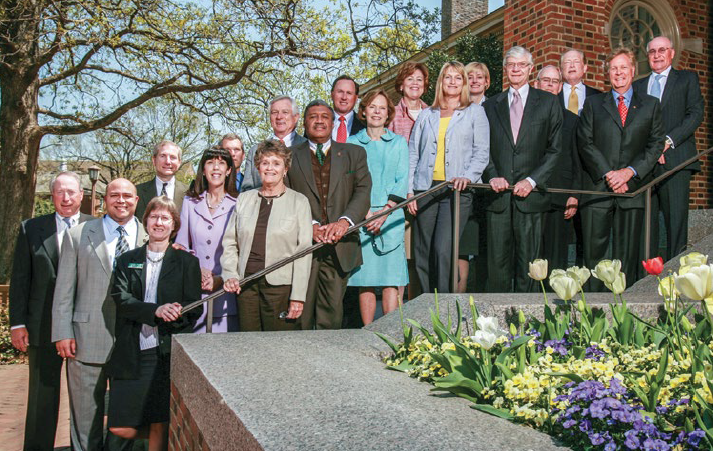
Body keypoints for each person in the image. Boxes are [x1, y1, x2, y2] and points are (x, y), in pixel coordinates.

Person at [52, 178, 147, 451]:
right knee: (85, 420)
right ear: (105, 199)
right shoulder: (80, 234)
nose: (121, 200)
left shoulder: (148, 236)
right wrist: (62, 331)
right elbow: (64, 290)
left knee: (125, 423)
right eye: (114, 195)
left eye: (127, 196)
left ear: (136, 200)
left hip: (132, 342)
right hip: (86, 339)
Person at [106, 197, 201, 451]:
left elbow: (195, 308)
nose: (159, 222)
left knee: (159, 420)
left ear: (174, 225)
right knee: (118, 425)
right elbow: (121, 299)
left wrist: (176, 313)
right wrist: (155, 310)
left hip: (164, 352)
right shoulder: (127, 260)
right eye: (154, 217)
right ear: (146, 221)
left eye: (165, 218)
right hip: (132, 349)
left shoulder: (187, 263)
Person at [9, 171, 92, 451]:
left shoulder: (97, 227)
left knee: (85, 401)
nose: (66, 198)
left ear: (82, 195)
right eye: (60, 192)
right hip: (41, 325)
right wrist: (17, 323)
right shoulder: (31, 229)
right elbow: (21, 279)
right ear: (52, 196)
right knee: (41, 400)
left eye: (71, 192)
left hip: (84, 326)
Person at [578, 47, 664, 289]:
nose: (619, 73)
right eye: (614, 68)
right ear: (608, 73)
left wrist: (629, 172)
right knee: (595, 257)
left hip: (633, 190)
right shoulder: (593, 104)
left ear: (633, 70)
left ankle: (623, 311)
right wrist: (609, 174)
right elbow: (585, 142)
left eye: (623, 67)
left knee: (627, 256)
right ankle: (593, 310)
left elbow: (655, 143)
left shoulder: (650, 105)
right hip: (598, 189)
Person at [285, 99, 372, 330]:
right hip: (303, 247)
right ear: (304, 122)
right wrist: (308, 225)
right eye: (313, 116)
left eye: (325, 116)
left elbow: (363, 191)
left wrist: (345, 222)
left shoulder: (354, 153)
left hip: (339, 246)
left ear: (333, 123)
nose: (319, 121)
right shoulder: (289, 156)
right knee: (299, 316)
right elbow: (285, 196)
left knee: (332, 316)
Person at [482, 46, 562, 292]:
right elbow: (481, 149)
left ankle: (528, 324)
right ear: (505, 69)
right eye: (511, 65)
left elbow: (555, 149)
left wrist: (532, 180)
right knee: (496, 267)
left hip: (532, 198)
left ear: (530, 69)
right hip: (499, 199)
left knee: (531, 268)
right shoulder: (490, 105)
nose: (516, 69)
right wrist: (492, 175)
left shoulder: (548, 102)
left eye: (521, 65)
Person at [408, 61, 490, 294]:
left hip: (456, 190)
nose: (452, 82)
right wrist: (410, 191)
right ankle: (424, 304)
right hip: (425, 189)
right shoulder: (427, 114)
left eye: (458, 77)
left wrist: (468, 176)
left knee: (443, 249)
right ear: (440, 82)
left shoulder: (475, 112)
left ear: (463, 83)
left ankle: (444, 306)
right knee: (422, 251)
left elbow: (481, 152)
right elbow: (413, 153)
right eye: (447, 77)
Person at [222, 140, 313, 331]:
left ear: (285, 169)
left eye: (276, 163)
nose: (270, 168)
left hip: (281, 288)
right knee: (249, 345)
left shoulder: (299, 202)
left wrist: (298, 295)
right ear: (257, 167)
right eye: (265, 163)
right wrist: (230, 274)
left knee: (279, 348)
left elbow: (304, 251)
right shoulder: (244, 199)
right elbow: (230, 243)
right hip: (246, 286)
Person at [634, 36, 704, 260]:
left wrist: (666, 143)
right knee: (646, 225)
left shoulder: (687, 79)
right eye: (652, 51)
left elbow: (695, 115)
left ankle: (676, 274)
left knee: (675, 222)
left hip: (676, 160)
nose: (657, 55)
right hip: (646, 165)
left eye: (662, 50)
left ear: (672, 53)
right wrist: (652, 151)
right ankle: (647, 279)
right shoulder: (637, 86)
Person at [346, 89, 409, 325]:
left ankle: (390, 331)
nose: (377, 112)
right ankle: (368, 331)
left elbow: (402, 179)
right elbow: (349, 181)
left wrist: (384, 212)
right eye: (372, 106)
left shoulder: (399, 142)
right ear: (363, 110)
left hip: (390, 216)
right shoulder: (352, 144)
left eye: (382, 108)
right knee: (367, 280)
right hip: (362, 216)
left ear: (388, 114)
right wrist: (365, 212)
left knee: (391, 279)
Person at [175, 147, 239, 333]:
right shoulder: (189, 202)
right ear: (203, 169)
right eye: (210, 163)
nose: (215, 168)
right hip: (195, 293)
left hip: (226, 296)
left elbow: (241, 249)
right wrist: (197, 269)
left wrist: (221, 277)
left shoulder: (239, 203)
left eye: (221, 163)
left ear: (229, 170)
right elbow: (181, 246)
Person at [387, 62, 430, 301]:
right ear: (401, 84)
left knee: (420, 256)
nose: (415, 83)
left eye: (419, 80)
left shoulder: (433, 112)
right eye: (410, 79)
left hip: (427, 192)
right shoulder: (392, 115)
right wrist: (405, 193)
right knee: (401, 255)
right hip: (401, 195)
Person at [534, 65, 582, 271]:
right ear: (536, 84)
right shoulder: (523, 116)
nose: (550, 85)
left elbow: (579, 160)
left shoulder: (573, 120)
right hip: (529, 196)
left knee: (556, 261)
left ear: (560, 87)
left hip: (559, 196)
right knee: (531, 258)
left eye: (554, 82)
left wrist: (574, 194)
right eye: (546, 80)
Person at [458, 61, 492, 292]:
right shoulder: (455, 108)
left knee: (484, 244)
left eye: (480, 77)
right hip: (462, 186)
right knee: (461, 244)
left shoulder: (496, 106)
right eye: (470, 76)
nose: (475, 81)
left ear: (487, 82)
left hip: (488, 185)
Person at [241, 96, 307, 192]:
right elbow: (247, 190)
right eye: (274, 112)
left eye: (285, 112)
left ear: (296, 117)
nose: (279, 117)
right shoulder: (254, 151)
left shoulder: (308, 148)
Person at [135, 140, 189, 219]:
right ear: (154, 160)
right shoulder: (137, 192)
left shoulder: (190, 193)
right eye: (163, 156)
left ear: (179, 163)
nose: (168, 162)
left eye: (173, 157)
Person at [559, 49, 601, 115]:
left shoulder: (598, 95)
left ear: (584, 68)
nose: (572, 65)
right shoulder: (554, 94)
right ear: (560, 70)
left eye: (576, 61)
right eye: (567, 62)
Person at [331, 75, 365, 142]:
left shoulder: (365, 125)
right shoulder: (318, 123)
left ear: (356, 98)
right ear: (332, 95)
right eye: (340, 92)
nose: (344, 97)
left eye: (349, 93)